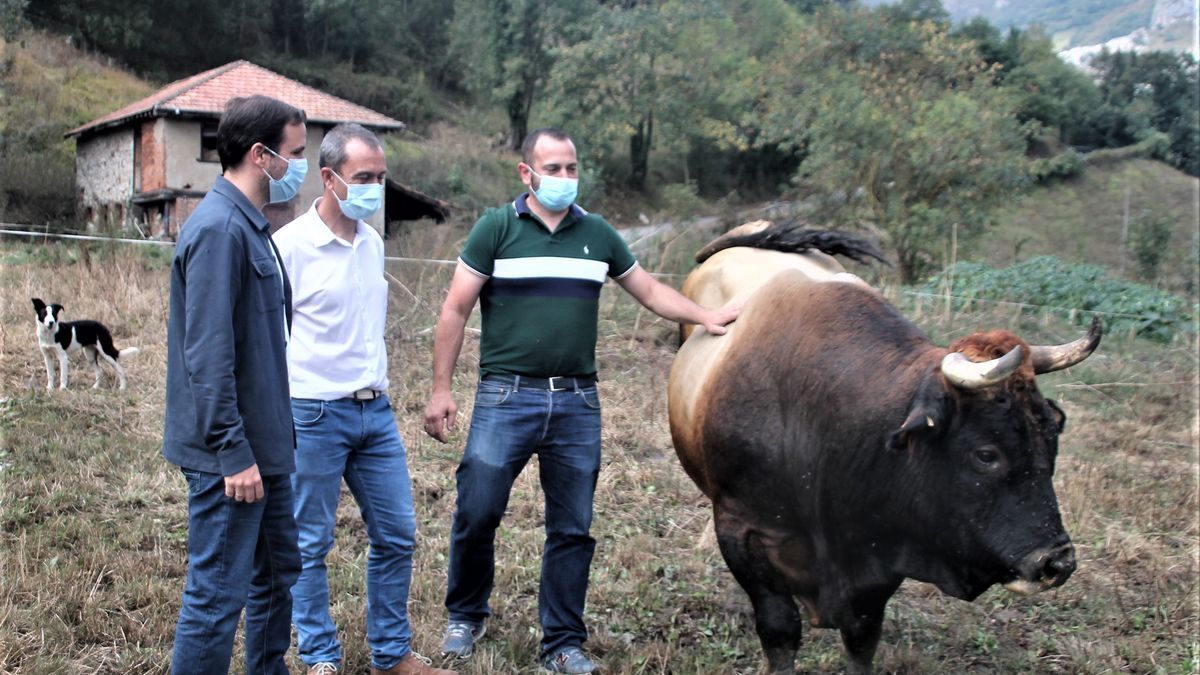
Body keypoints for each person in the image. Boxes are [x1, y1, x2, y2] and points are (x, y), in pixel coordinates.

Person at [422, 128, 740, 674]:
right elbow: (454, 310)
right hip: (506, 397)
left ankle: (563, 643)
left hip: (576, 404)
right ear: (527, 173)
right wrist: (441, 389)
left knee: (572, 527)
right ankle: (466, 614)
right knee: (477, 512)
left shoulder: (597, 234)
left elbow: (648, 290)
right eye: (553, 168)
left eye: (572, 168)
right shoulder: (495, 229)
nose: (564, 178)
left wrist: (704, 315)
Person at [273, 124, 456, 675]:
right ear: (328, 178)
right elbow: (270, 336)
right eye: (364, 178)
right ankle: (320, 657)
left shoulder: (372, 243)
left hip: (374, 411)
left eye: (381, 177)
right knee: (311, 544)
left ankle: (391, 655)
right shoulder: (289, 248)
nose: (375, 187)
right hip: (313, 413)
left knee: (398, 534)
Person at [162, 94, 308, 674]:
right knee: (217, 596)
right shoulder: (220, 230)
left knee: (276, 575)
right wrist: (232, 452)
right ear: (260, 154)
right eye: (294, 154)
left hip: (264, 447)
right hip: (234, 455)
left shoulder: (251, 226)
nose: (298, 167)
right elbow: (208, 354)